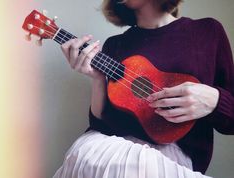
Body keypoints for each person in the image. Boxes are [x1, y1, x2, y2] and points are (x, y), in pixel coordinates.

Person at [53, 0, 234, 177]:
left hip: (170, 159)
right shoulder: (115, 44)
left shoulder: (207, 31)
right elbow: (102, 124)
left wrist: (215, 100)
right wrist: (98, 79)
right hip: (113, 150)